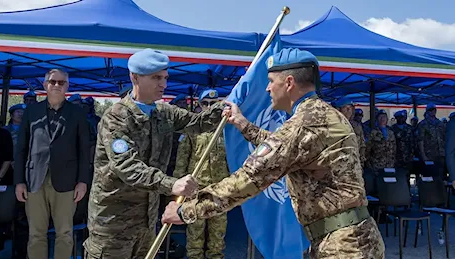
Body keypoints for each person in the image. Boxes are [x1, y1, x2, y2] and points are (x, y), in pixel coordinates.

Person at [162, 48, 385, 259]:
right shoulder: (322, 115)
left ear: (288, 82)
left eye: (270, 82)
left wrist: (185, 211)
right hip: (349, 239)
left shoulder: (304, 124)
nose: (268, 89)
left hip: (343, 247)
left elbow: (248, 179)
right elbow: (285, 148)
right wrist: (242, 124)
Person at [83, 48, 226, 259]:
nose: (164, 84)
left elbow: (199, 122)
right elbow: (127, 167)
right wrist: (171, 184)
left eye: (165, 78)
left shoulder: (164, 113)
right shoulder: (117, 117)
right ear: (135, 77)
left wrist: (231, 101)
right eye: (156, 77)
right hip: (112, 225)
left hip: (146, 221)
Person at [14, 68, 91, 260]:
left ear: (67, 86)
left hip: (66, 182)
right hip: (34, 181)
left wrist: (83, 181)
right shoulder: (32, 111)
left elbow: (84, 150)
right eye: (52, 81)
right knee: (35, 234)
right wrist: (19, 182)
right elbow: (21, 148)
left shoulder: (78, 113)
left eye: (61, 82)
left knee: (64, 234)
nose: (56, 85)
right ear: (45, 85)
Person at [173, 89, 229, 260]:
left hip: (220, 187)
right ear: (199, 105)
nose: (210, 107)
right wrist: (176, 188)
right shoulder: (192, 128)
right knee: (195, 233)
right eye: (206, 103)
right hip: (195, 188)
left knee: (217, 234)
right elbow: (182, 159)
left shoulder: (226, 127)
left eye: (214, 104)